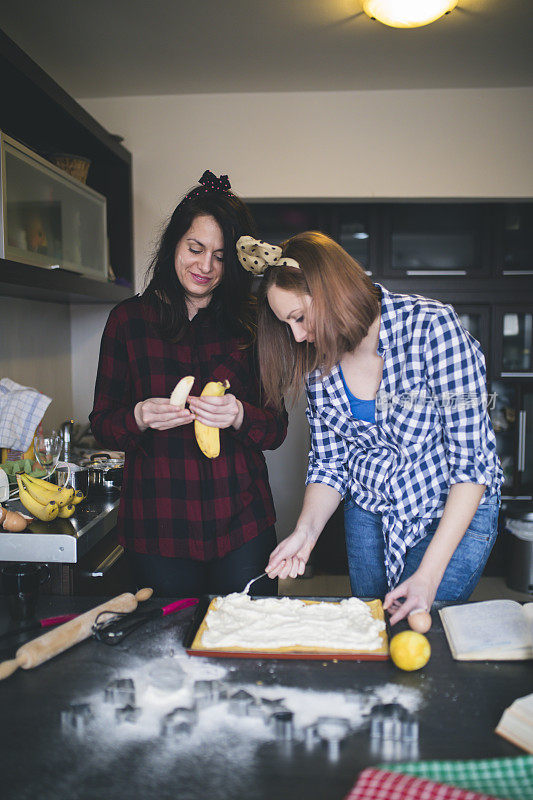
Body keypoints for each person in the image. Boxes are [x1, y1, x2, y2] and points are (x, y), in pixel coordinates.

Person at [237, 231, 503, 624]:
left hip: (448, 508)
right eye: (286, 324)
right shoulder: (317, 364)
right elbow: (329, 463)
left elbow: (472, 466)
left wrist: (427, 578)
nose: (296, 336)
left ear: (331, 292)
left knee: (418, 628)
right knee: (371, 627)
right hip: (370, 509)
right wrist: (306, 532)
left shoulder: (432, 329)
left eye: (299, 318)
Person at [90, 172, 287, 597]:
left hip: (243, 526)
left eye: (219, 256)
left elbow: (277, 429)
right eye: (195, 249)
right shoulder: (128, 322)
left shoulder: (254, 323)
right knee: (166, 653)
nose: (205, 267)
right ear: (173, 245)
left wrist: (239, 414)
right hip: (158, 527)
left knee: (245, 648)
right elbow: (104, 424)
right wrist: (138, 415)